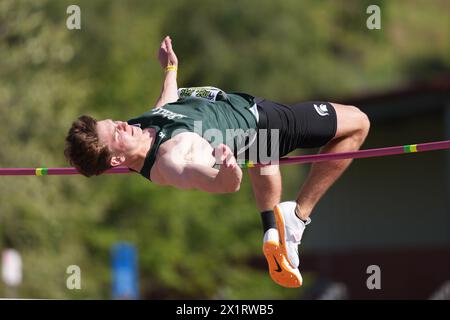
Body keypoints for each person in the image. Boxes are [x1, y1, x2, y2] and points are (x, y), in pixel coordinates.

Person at [64, 36, 370, 288]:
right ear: (117, 157)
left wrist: (170, 69)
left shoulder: (139, 130)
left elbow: (165, 106)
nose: (121, 124)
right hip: (263, 123)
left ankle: (273, 231)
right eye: (115, 131)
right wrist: (226, 169)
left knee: (265, 157)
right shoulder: (172, 158)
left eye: (114, 121)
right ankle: (298, 215)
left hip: (250, 130)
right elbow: (218, 183)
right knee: (358, 122)